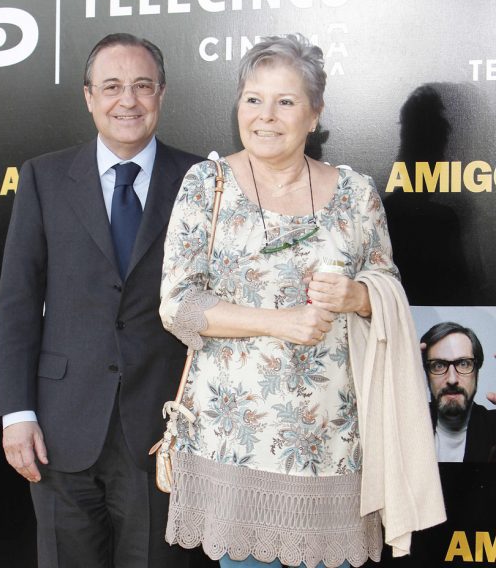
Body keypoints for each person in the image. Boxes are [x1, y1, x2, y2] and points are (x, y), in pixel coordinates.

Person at [159, 34, 445, 568]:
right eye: (253, 98)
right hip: (234, 446)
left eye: (285, 101)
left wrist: (359, 295)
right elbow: (178, 304)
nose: (265, 116)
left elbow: (387, 289)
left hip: (336, 448)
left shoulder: (356, 194)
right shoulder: (207, 184)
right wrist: (281, 321)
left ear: (314, 114)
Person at [0, 33, 207, 568]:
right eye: (111, 86)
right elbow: (18, 303)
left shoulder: (202, 183)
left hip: (164, 432)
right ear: (89, 96)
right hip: (60, 431)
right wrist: (16, 413)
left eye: (142, 85)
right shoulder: (43, 177)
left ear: (162, 93)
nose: (127, 100)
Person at [421, 321, 496, 462]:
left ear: (477, 371)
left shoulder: (493, 427)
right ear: (426, 373)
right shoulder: (403, 424)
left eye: (463, 364)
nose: (452, 379)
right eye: (438, 365)